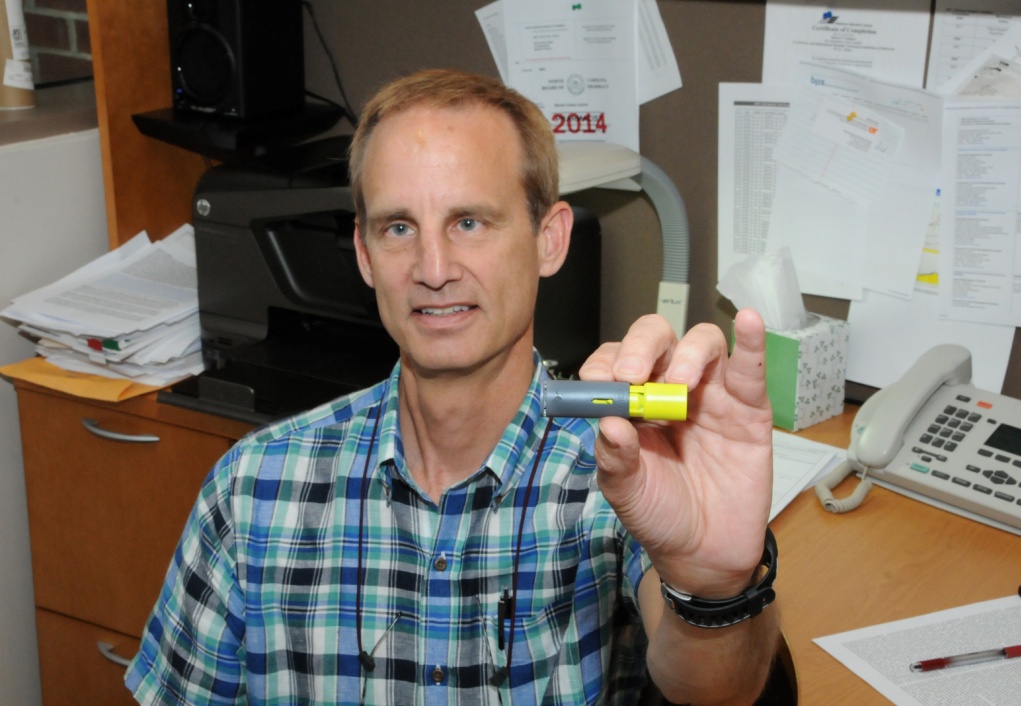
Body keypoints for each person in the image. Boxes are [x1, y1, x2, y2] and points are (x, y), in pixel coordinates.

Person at [125, 68, 779, 705]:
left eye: (469, 221)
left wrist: (715, 589)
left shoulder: (621, 473)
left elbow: (718, 690)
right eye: (399, 227)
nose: (433, 270)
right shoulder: (250, 489)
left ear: (549, 240)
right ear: (363, 252)